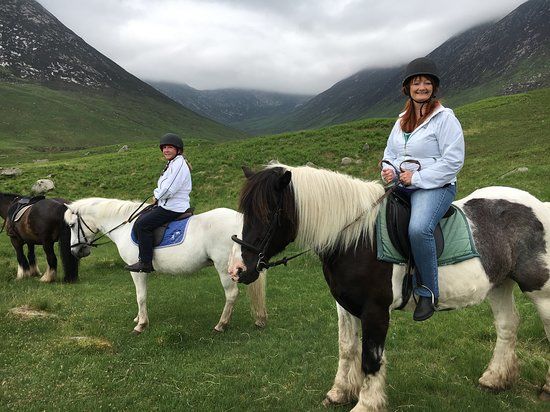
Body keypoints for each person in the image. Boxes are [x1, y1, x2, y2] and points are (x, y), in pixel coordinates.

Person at [381, 57, 465, 321]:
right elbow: (390, 153)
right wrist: (388, 170)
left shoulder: (445, 119)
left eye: (427, 83)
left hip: (436, 186)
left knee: (419, 228)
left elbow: (453, 161)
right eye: (416, 83)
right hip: (403, 184)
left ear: (434, 88)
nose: (422, 87)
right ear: (407, 88)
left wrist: (416, 178)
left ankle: (427, 292)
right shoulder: (401, 121)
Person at [124, 133, 192, 273]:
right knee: (142, 218)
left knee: (142, 225)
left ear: (178, 149)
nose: (166, 150)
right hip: (166, 204)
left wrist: (156, 196)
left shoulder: (179, 164)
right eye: (164, 148)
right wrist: (158, 196)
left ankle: (145, 263)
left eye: (170, 147)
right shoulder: (172, 163)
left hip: (173, 207)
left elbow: (169, 188)